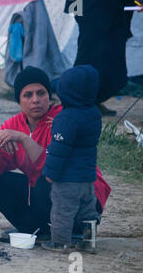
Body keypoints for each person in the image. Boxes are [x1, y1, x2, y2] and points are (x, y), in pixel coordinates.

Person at [0, 66, 111, 244]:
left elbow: (52, 166)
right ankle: (36, 229)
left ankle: (77, 230)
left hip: (81, 192)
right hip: (47, 195)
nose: (36, 100)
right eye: (28, 95)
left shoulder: (64, 118)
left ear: (49, 96)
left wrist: (23, 139)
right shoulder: (13, 124)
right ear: (18, 100)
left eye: (41, 93)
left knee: (45, 181)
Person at [41, 65, 102, 254]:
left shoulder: (66, 118)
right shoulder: (94, 114)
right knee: (88, 211)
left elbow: (59, 150)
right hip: (88, 177)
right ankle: (89, 242)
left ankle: (60, 243)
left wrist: (50, 173)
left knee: (62, 211)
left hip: (68, 179)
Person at [65, 0, 137, 116]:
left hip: (114, 16)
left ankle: (94, 101)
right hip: (92, 14)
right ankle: (77, 102)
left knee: (111, 62)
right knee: (89, 58)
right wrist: (77, 13)